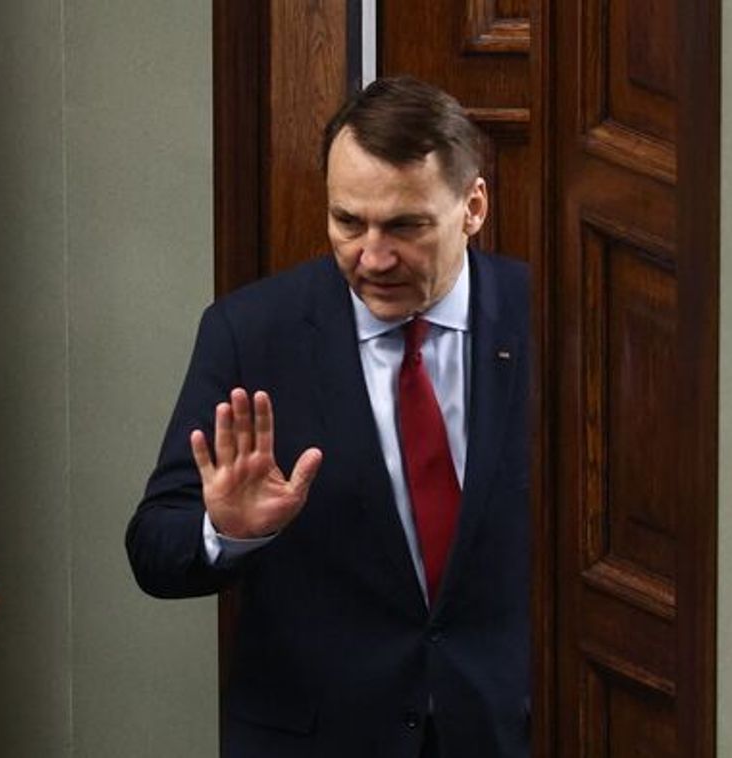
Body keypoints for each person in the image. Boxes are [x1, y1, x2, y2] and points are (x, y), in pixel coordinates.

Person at [127, 77, 529, 757]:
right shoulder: (251, 332)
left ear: (473, 207)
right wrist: (227, 533)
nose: (373, 256)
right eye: (348, 222)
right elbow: (153, 549)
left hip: (507, 732)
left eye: (404, 226)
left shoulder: (549, 313)